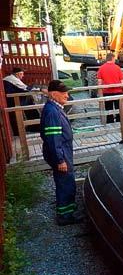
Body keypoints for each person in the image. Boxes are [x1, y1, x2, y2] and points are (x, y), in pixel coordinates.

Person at [40, 80, 84, 226]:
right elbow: (53, 139)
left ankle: (68, 209)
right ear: (53, 94)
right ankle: (65, 216)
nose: (67, 95)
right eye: (63, 92)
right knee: (65, 182)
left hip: (63, 151)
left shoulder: (55, 107)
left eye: (67, 92)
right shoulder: (52, 111)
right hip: (61, 153)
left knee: (66, 180)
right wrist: (60, 160)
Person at [3, 67, 40, 134]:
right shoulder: (12, 79)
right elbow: (25, 88)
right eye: (22, 74)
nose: (23, 75)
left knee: (29, 101)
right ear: (17, 74)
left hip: (12, 100)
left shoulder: (10, 78)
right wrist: (35, 88)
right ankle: (35, 127)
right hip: (12, 101)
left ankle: (34, 127)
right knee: (30, 105)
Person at [97, 53, 123, 123]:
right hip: (118, 92)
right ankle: (120, 123)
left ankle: (110, 123)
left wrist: (99, 93)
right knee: (119, 110)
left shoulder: (101, 68)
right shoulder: (117, 68)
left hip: (106, 92)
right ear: (113, 58)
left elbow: (99, 82)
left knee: (108, 110)